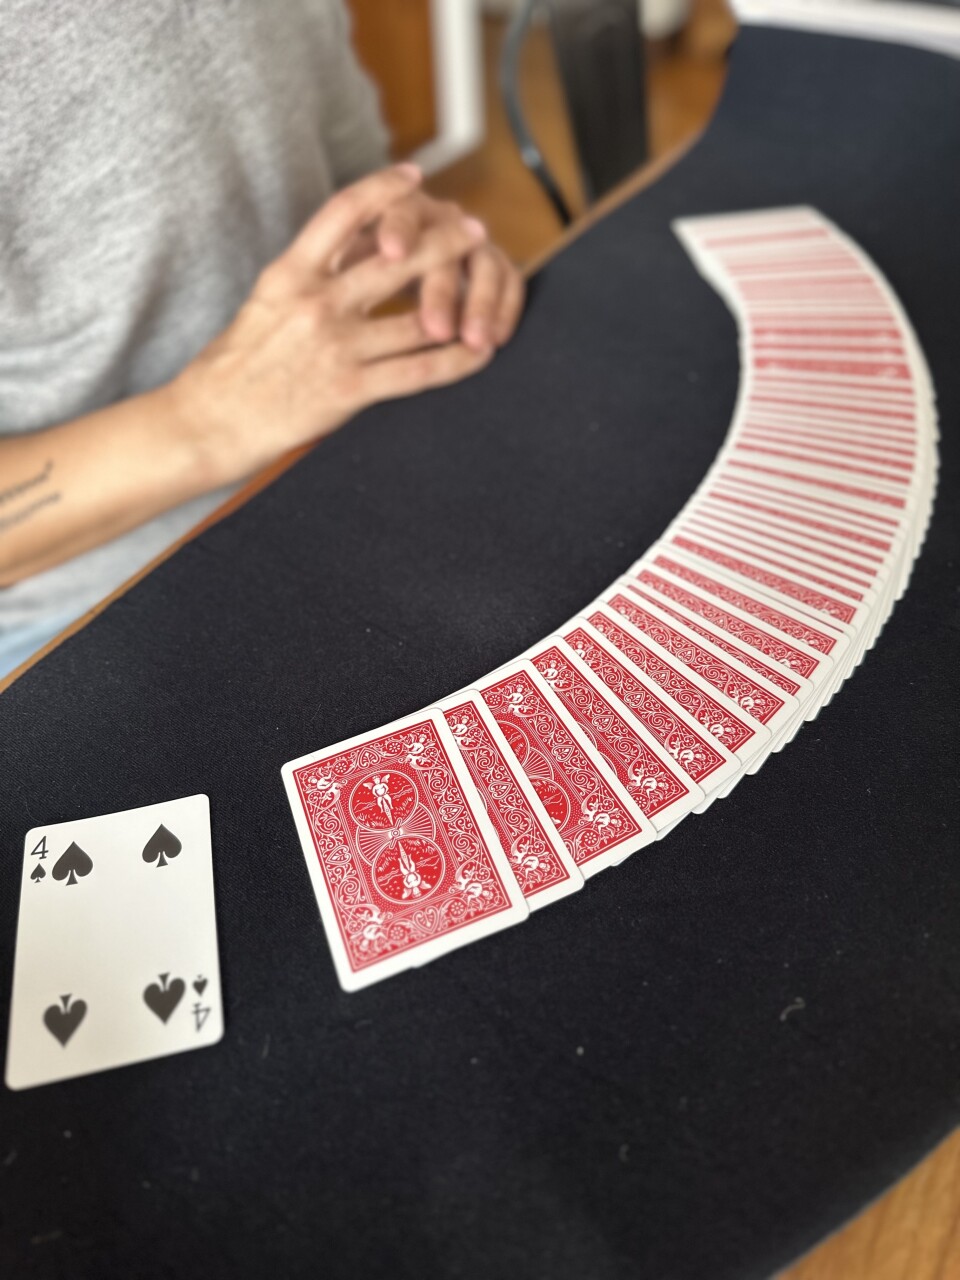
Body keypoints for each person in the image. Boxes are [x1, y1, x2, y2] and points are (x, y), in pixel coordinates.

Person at [0, 2, 524, 678]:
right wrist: (209, 420)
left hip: (332, 466)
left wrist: (402, 244)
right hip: (81, 611)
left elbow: (352, 172)